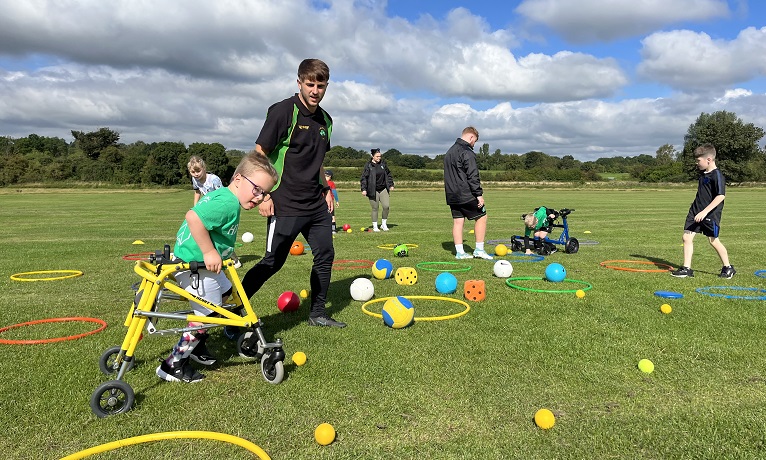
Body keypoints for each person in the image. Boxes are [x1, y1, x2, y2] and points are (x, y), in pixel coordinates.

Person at [241, 58, 346, 328]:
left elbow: (318, 159)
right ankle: (233, 311)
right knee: (272, 263)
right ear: (299, 82)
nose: (315, 90)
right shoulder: (283, 111)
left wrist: (326, 188)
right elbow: (259, 154)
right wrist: (263, 195)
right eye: (310, 84)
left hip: (315, 204)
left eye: (320, 85)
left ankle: (318, 313)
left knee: (325, 254)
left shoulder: (326, 120)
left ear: (326, 87)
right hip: (283, 203)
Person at [157, 153, 278, 383]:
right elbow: (193, 217)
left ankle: (200, 346)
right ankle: (173, 364)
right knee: (205, 317)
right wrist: (209, 252)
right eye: (257, 189)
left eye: (264, 193)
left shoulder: (228, 198)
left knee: (226, 294)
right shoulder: (227, 202)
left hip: (204, 266)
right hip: (197, 268)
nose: (260, 197)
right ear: (239, 178)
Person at [670, 144, 735, 279]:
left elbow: (720, 196)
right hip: (695, 211)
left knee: (713, 241)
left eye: (699, 160)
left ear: (709, 159)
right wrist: (696, 208)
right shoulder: (703, 173)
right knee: (686, 237)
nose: (696, 163)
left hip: (709, 213)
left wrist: (705, 212)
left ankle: (728, 267)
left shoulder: (717, 175)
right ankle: (687, 269)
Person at [443, 127, 493, 260]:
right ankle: (479, 250)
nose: (474, 144)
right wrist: (478, 194)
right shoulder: (467, 152)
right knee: (482, 217)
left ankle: (460, 252)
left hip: (451, 194)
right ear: (471, 137)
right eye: (474, 141)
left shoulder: (449, 152)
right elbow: (472, 175)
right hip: (466, 193)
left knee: (458, 222)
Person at [187, 155, 242, 267]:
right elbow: (197, 192)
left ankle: (234, 259)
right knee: (206, 234)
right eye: (193, 172)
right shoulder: (195, 180)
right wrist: (196, 208)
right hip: (209, 208)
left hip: (219, 208)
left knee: (220, 236)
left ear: (204, 168)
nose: (196, 174)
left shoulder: (213, 179)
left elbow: (223, 194)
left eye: (198, 171)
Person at [360, 148, 394, 231]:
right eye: (377, 156)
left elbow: (389, 174)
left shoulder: (383, 164)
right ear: (372, 156)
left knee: (386, 206)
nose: (379, 158)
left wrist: (391, 184)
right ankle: (375, 226)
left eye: (380, 156)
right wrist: (363, 189)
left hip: (383, 189)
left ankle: (383, 224)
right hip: (372, 190)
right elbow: (364, 178)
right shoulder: (368, 165)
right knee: (375, 208)